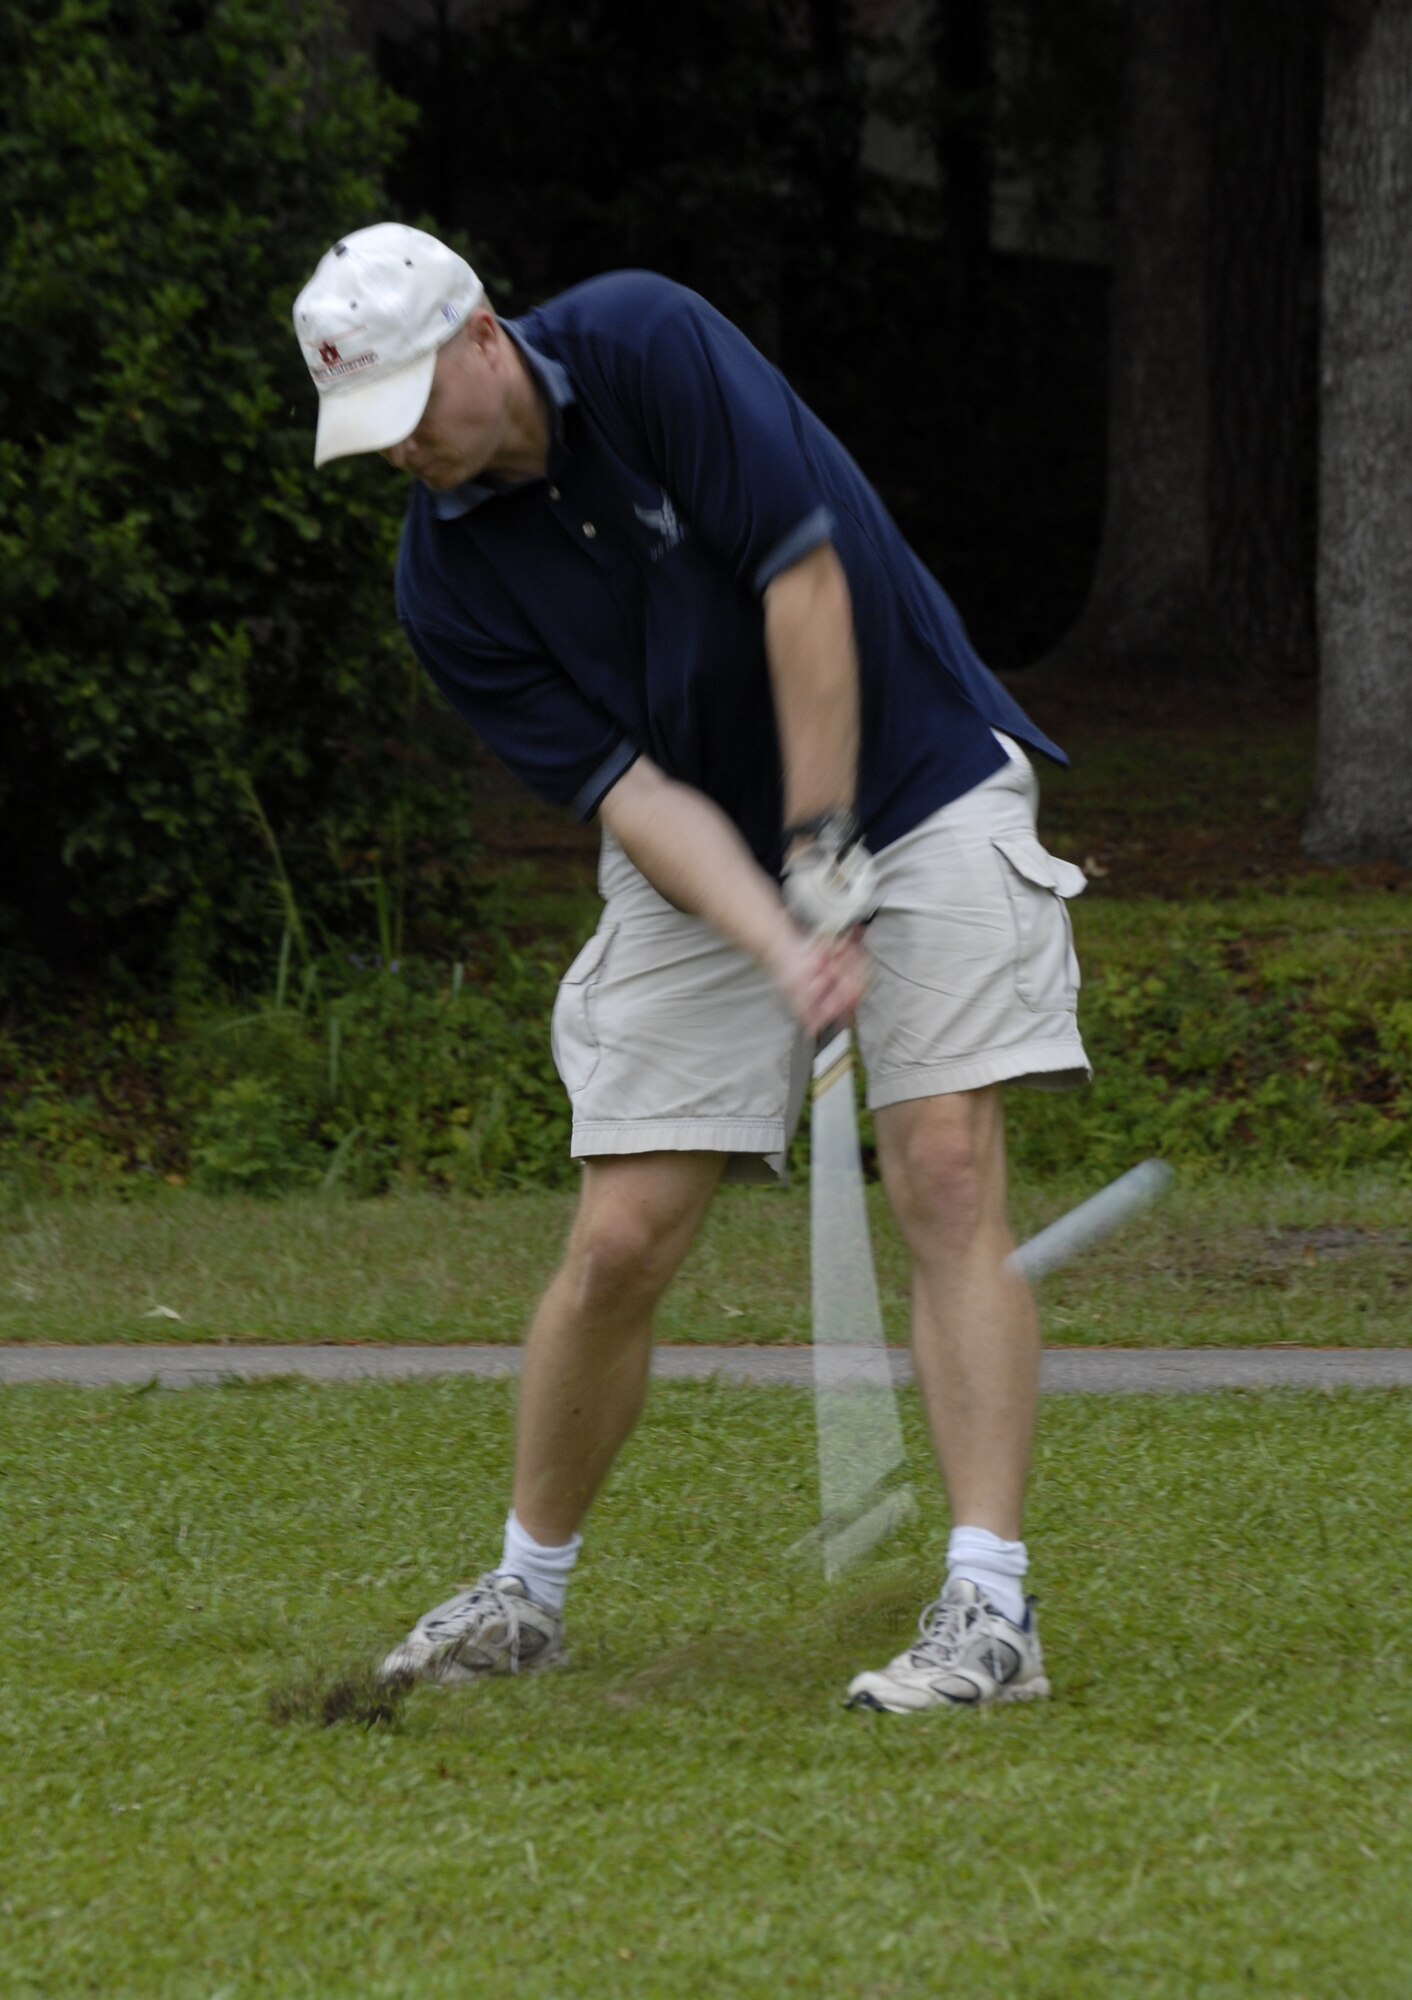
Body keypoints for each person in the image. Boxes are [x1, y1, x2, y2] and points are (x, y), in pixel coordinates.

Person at [292, 223, 1091, 1714]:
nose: (399, 450)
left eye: (410, 408)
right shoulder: (444, 588)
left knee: (943, 1170)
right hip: (708, 838)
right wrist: (782, 933)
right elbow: (637, 800)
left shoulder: (648, 343)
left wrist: (829, 839)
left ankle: (991, 1610)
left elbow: (806, 584)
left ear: (479, 337)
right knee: (622, 1237)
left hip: (906, 768)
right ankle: (525, 1594)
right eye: (367, 432)